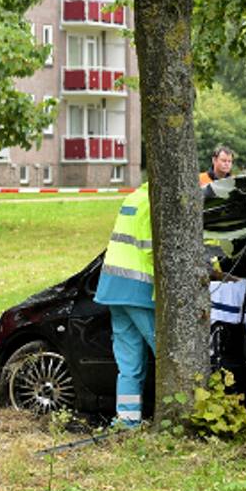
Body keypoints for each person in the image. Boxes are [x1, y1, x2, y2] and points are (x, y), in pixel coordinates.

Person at [93, 181, 155, 428]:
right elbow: (153, 250)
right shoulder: (154, 203)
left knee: (129, 365)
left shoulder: (134, 197)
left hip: (113, 288)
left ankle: (127, 421)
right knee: (167, 351)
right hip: (137, 289)